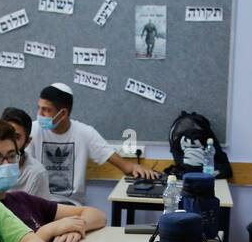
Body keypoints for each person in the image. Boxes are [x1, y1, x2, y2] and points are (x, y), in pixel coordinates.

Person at [0, 117, 105, 242]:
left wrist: (77, 227)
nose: (6, 164)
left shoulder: (22, 200)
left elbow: (97, 215)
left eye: (11, 156)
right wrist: (48, 231)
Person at [27, 83, 159, 205]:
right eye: (39, 108)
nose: (40, 114)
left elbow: (124, 165)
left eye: (46, 110)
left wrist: (137, 169)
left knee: (98, 218)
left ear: (63, 113)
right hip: (39, 205)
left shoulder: (85, 133)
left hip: (72, 207)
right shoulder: (32, 130)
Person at [1, 106, 52, 198]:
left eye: (16, 137)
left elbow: (40, 211)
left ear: (27, 142)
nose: (9, 142)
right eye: (5, 134)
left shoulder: (37, 173)